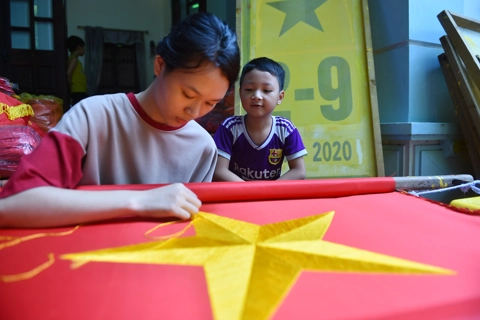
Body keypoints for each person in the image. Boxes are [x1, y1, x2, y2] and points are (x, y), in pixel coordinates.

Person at [0, 12, 240, 228]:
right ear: (160, 65)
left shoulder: (202, 147)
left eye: (211, 103)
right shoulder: (93, 117)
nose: (195, 111)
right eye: (188, 94)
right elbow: (14, 204)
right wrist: (139, 200)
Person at [213, 57, 307, 182]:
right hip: (237, 197)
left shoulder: (285, 129)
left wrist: (269, 191)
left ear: (280, 97)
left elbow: (299, 171)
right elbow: (219, 171)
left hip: (271, 198)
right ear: (240, 93)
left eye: (266, 90)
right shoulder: (229, 127)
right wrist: (251, 192)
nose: (257, 96)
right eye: (249, 89)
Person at [66, 35, 88, 109]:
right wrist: (69, 89)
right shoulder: (74, 59)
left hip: (79, 90)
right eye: (83, 48)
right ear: (79, 47)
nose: (84, 50)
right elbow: (68, 73)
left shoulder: (74, 59)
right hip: (77, 91)